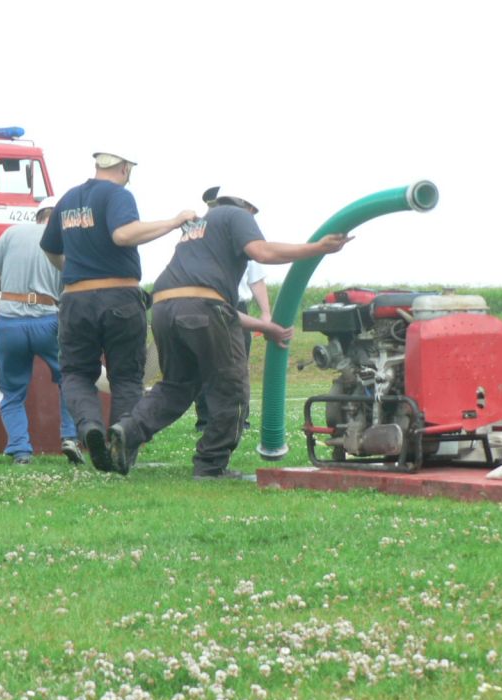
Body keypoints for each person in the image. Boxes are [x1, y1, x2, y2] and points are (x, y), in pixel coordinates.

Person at [107, 187, 353, 479]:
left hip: (163, 306)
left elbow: (208, 303)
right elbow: (260, 253)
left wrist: (265, 327)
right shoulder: (236, 214)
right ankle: (211, 466)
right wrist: (317, 248)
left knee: (177, 386)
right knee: (232, 388)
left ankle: (129, 429)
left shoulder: (201, 226)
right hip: (201, 307)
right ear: (248, 206)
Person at [40, 151, 197, 471]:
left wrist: (72, 270)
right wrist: (174, 221)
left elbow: (50, 247)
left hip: (76, 298)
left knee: (76, 374)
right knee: (126, 376)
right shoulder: (118, 194)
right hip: (120, 297)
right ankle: (121, 446)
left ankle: (89, 427)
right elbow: (123, 234)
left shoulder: (68, 198)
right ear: (124, 168)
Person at [0, 197, 83, 466]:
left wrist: (14, 292)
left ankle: (20, 449)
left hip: (9, 322)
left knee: (11, 390)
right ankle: (70, 437)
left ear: (37, 215)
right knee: (69, 379)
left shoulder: (11, 233)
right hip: (49, 319)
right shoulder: (66, 242)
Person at [194, 257, 270, 432]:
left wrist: (266, 313)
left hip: (237, 305)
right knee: (205, 365)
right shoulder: (199, 241)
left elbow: (256, 279)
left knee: (238, 367)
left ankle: (239, 419)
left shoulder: (247, 245)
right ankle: (206, 421)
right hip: (204, 305)